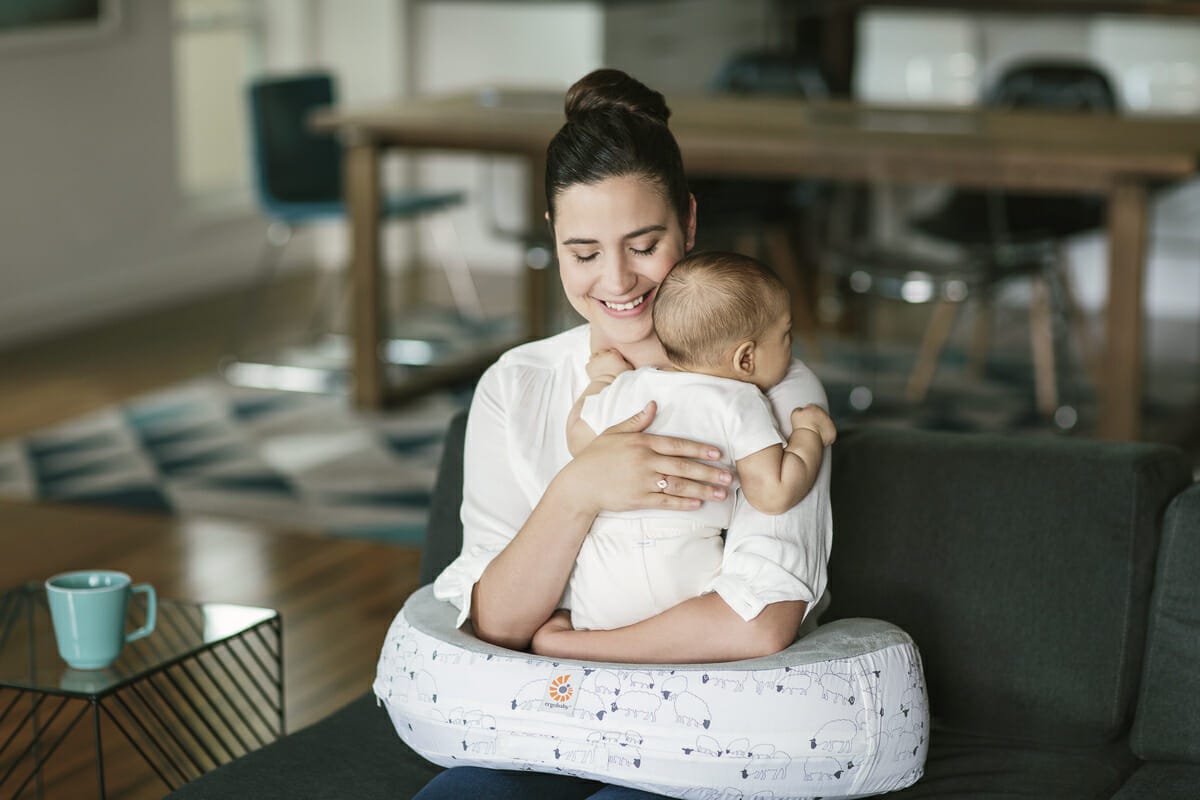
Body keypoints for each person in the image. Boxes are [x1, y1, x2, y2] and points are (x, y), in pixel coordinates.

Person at [411, 68, 833, 800]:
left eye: (645, 244)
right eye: (584, 253)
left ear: (691, 224)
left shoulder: (765, 384)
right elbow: (498, 624)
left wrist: (575, 644)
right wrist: (578, 490)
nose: (617, 281)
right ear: (554, 238)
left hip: (711, 724)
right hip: (545, 725)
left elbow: (759, 623)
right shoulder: (520, 385)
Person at [563, 250, 835, 631]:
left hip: (600, 589)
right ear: (745, 359)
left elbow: (578, 440)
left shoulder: (632, 385)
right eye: (786, 336)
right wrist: (809, 435)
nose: (791, 347)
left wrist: (603, 379)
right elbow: (773, 493)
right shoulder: (742, 402)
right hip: (683, 580)